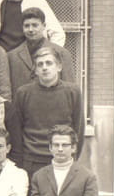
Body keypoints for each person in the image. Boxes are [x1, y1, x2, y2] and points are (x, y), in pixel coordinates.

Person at [9, 47, 84, 178]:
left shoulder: (73, 92)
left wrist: (73, 157)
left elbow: (78, 129)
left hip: (62, 160)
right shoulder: (23, 93)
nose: (44, 67)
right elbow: (16, 130)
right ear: (36, 70)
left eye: (49, 63)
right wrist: (20, 163)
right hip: (31, 162)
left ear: (59, 67)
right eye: (40, 64)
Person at [8, 7, 75, 95]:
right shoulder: (12, 56)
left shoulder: (61, 53)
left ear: (44, 26)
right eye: (27, 26)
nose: (30, 29)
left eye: (35, 25)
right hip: (22, 103)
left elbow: (70, 90)